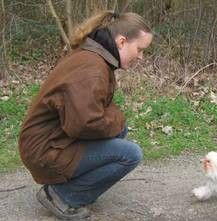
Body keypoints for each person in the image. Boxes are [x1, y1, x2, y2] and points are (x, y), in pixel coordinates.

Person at [18, 10, 153, 220]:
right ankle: (61, 195)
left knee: (120, 130)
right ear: (122, 41)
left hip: (51, 139)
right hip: (44, 149)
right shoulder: (92, 68)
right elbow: (83, 124)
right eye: (140, 49)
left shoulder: (94, 56)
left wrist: (116, 120)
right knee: (131, 154)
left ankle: (76, 184)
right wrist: (118, 118)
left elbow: (87, 115)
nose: (141, 57)